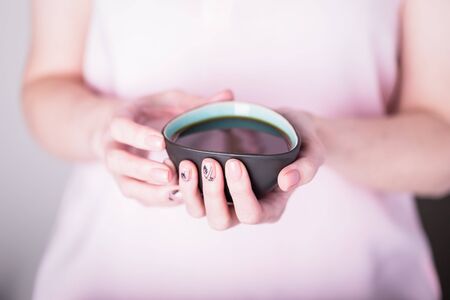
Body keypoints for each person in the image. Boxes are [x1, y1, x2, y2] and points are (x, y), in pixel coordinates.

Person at [23, 0, 450, 299]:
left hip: (359, 280)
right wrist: (104, 129)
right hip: (109, 278)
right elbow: (46, 84)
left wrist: (320, 138)